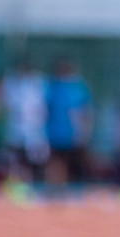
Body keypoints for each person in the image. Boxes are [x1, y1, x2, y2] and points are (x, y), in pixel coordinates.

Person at [0, 58, 49, 189]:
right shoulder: (11, 84)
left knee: (34, 162)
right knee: (15, 161)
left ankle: (33, 187)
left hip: (34, 131)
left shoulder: (39, 84)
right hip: (15, 130)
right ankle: (16, 187)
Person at [45, 58, 92, 186]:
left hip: (73, 133)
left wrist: (85, 132)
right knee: (56, 160)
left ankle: (67, 186)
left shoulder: (79, 88)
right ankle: (55, 185)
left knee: (73, 162)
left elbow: (85, 112)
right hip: (55, 131)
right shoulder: (51, 87)